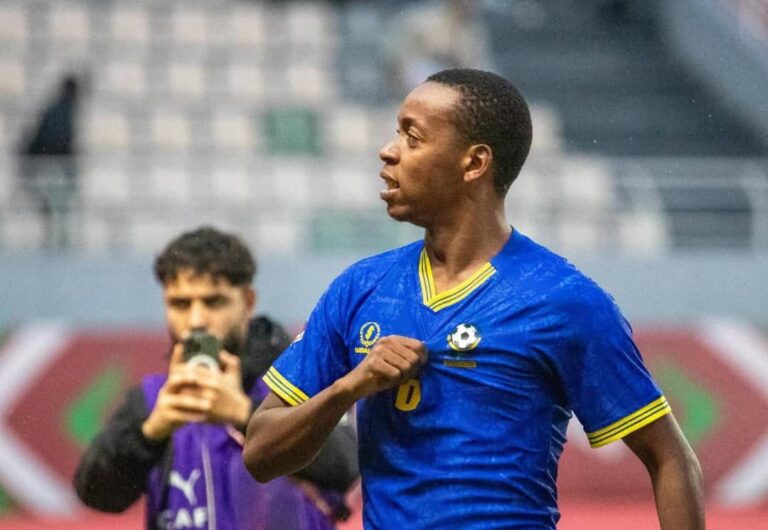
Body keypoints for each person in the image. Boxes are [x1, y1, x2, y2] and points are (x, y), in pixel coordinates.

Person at [243, 69, 705, 529]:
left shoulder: (564, 302)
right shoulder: (359, 288)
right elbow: (260, 453)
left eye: (412, 137)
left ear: (474, 163)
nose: (388, 150)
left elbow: (670, 459)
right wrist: (350, 388)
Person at [74, 226, 358, 529]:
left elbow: (347, 465)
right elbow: (96, 495)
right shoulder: (154, 399)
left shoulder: (300, 376)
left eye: (213, 302)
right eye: (180, 304)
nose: (196, 320)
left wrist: (245, 414)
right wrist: (149, 435)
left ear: (248, 301)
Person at [17, 73, 83, 249]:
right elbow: (53, 140)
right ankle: (57, 241)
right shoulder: (61, 111)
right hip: (49, 163)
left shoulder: (61, 109)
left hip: (50, 162)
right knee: (57, 202)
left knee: (58, 204)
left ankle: (58, 239)